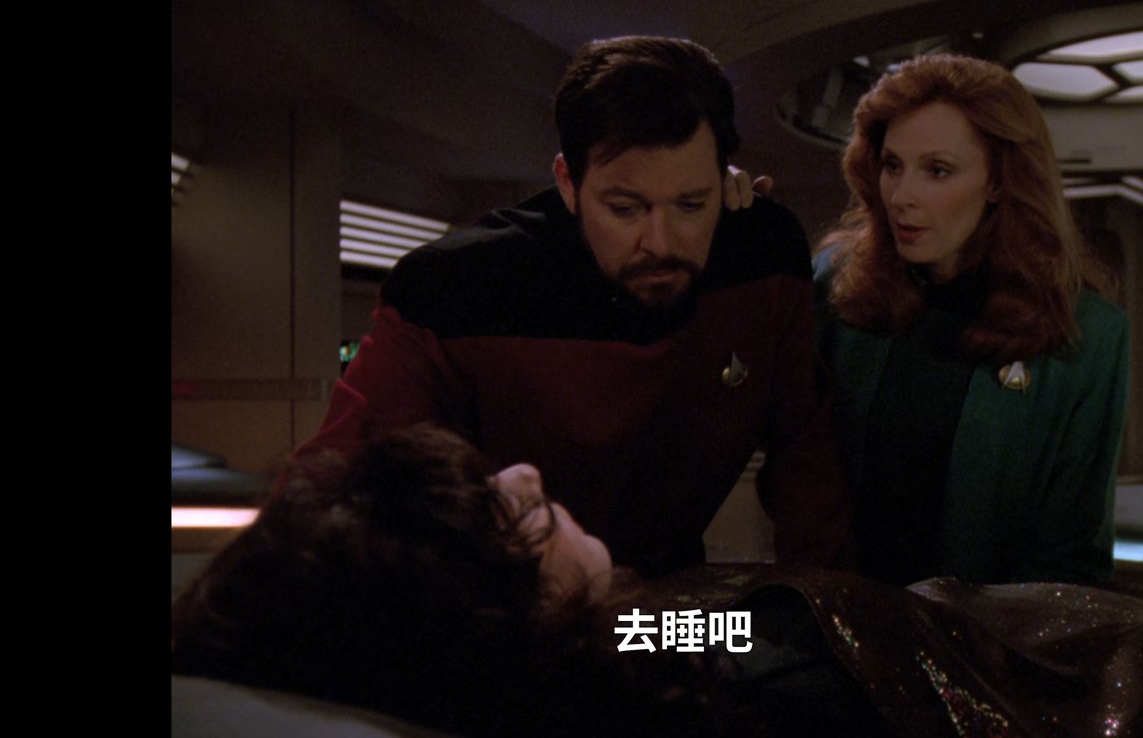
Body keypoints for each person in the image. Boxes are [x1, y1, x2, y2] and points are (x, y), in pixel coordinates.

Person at [173, 425, 1143, 738]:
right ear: (493, 613)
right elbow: (773, 643)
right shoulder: (703, 670)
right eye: (502, 513)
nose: (523, 473)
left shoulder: (629, 642)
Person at [294, 36, 851, 578]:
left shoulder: (763, 252)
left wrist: (821, 615)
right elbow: (328, 502)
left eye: (691, 204)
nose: (661, 243)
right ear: (567, 183)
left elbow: (809, 468)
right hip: (510, 612)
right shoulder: (456, 287)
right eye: (625, 208)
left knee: (739, 631)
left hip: (668, 609)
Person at [814, 53, 1130, 587]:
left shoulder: (1088, 332)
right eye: (892, 166)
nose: (902, 197)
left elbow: (1073, 555)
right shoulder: (837, 285)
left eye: (937, 170)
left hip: (990, 632)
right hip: (840, 614)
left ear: (999, 182)